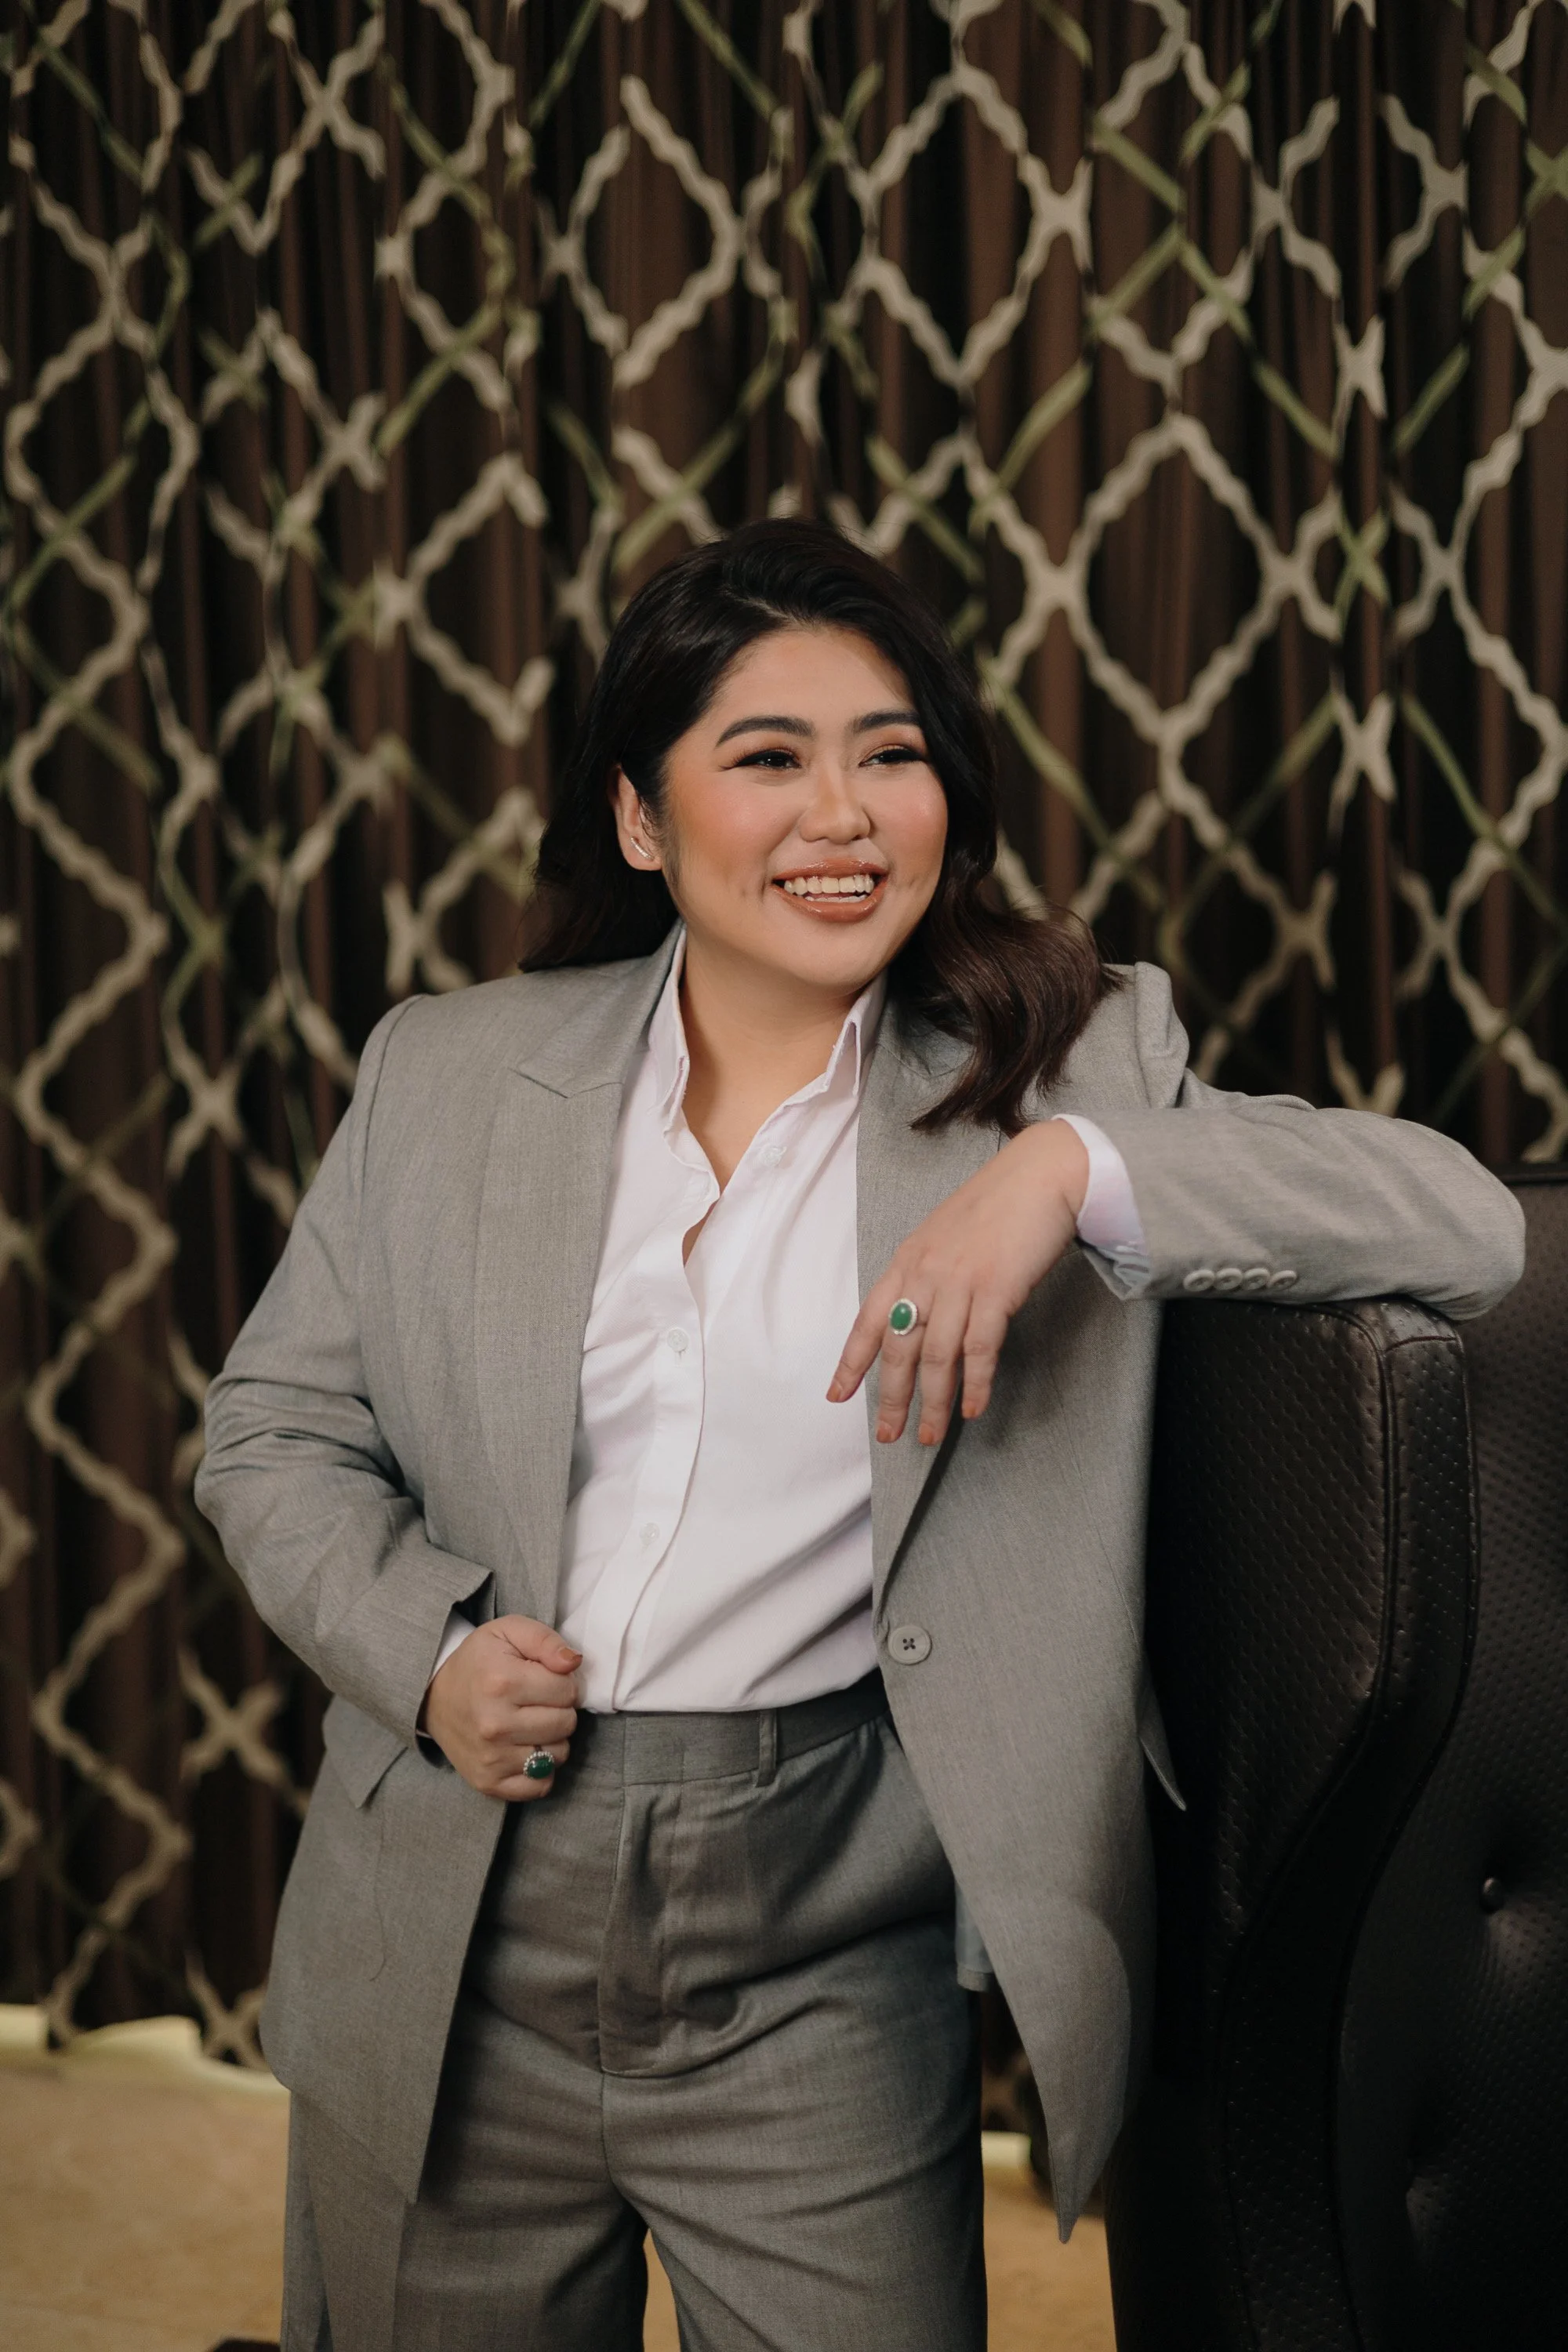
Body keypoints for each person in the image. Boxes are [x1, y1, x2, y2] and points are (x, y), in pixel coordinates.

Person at [195, 520, 1523, 2352]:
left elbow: (1465, 1224)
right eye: (767, 757)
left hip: (822, 1937)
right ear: (641, 821)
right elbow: (268, 1425)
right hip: (448, 1922)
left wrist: (1063, 1173)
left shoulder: (1061, 1060)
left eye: (889, 752)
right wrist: (417, 1652)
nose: (845, 814)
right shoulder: (445, 1071)